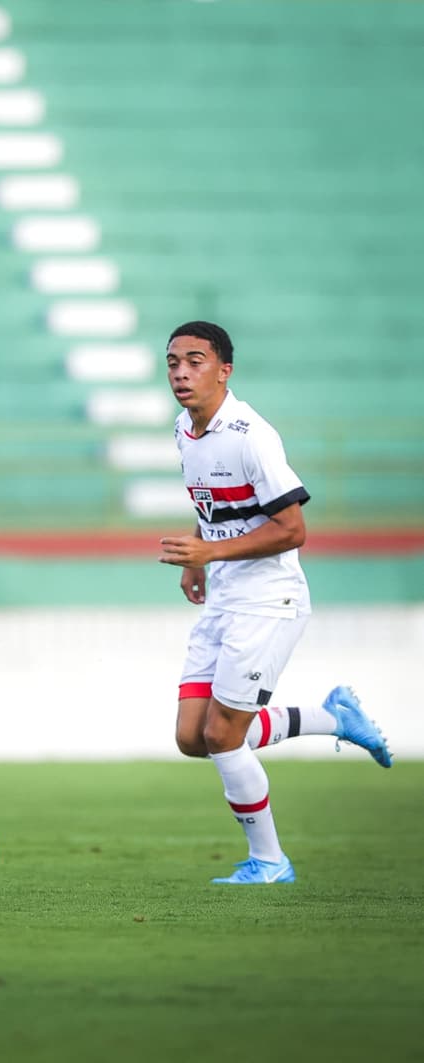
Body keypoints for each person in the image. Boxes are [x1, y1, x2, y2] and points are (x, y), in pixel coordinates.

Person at [159, 321, 391, 885]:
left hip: (269, 598)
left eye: (194, 361)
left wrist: (210, 550)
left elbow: (293, 528)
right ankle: (331, 717)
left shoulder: (250, 434)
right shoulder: (184, 431)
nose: (181, 373)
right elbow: (212, 507)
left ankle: (270, 862)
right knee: (194, 737)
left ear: (224, 370)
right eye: (172, 362)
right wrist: (199, 558)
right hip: (226, 598)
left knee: (222, 736)